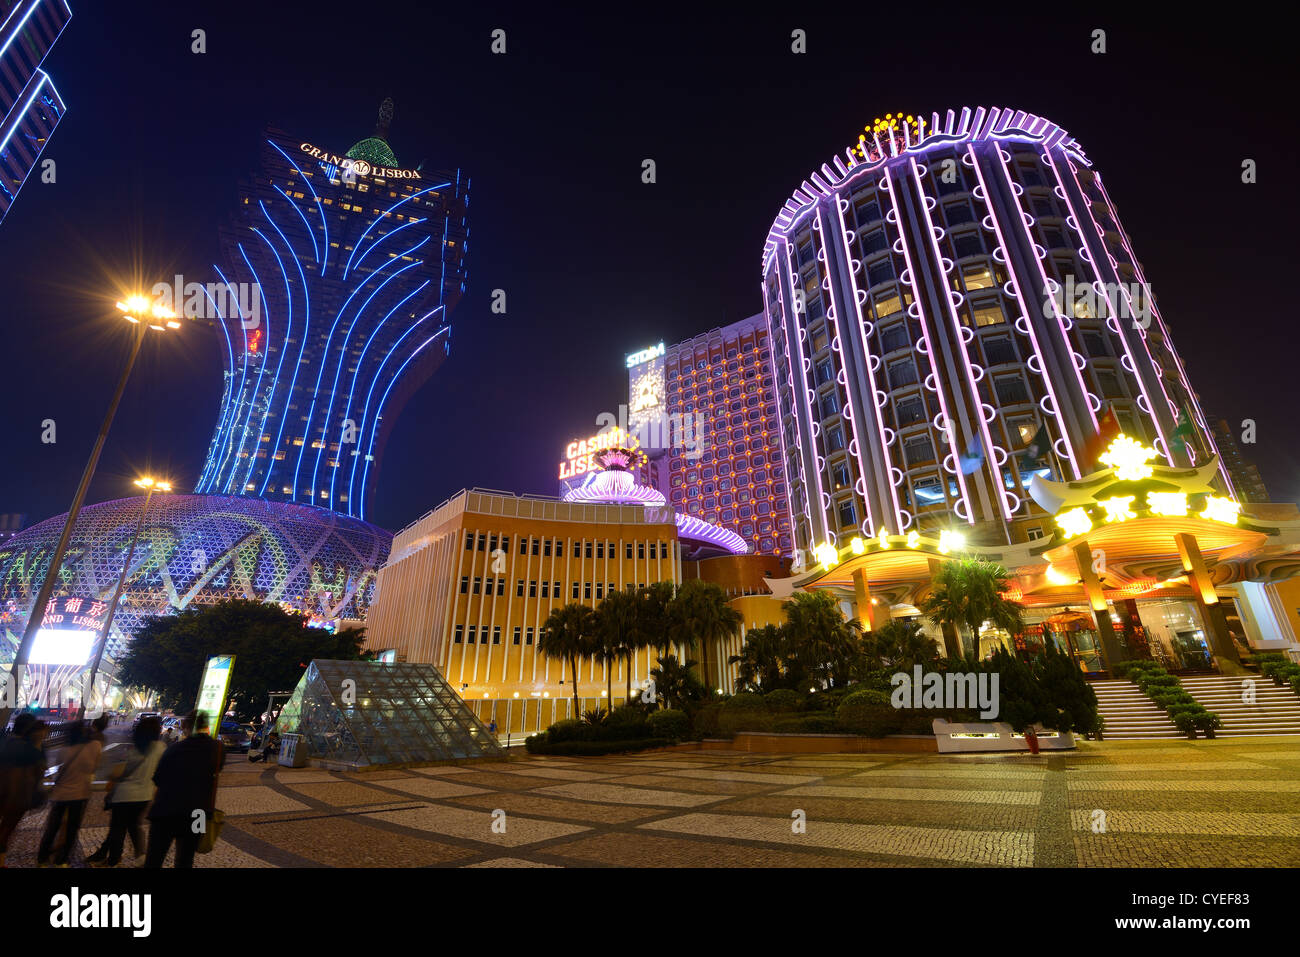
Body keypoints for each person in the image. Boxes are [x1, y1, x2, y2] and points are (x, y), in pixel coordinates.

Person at [144, 711, 223, 868]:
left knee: (154, 858)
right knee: (186, 858)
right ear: (206, 726)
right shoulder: (218, 749)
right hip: (199, 813)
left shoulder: (174, 749)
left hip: (166, 811)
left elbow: (157, 778)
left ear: (186, 727)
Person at [86, 715, 165, 868]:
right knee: (133, 825)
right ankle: (138, 856)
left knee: (118, 829)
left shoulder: (133, 750)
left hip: (124, 796)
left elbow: (116, 774)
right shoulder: (161, 748)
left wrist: (112, 775)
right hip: (144, 796)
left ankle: (114, 861)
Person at [37, 721, 102, 867]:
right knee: (71, 830)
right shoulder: (95, 746)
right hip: (80, 795)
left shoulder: (63, 750)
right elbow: (94, 768)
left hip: (61, 795)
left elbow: (59, 772)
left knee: (52, 828)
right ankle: (62, 860)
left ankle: (42, 859)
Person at [0, 715, 48, 868]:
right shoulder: (30, 750)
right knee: (5, 831)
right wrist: (39, 744)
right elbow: (41, 771)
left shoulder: (4, 740)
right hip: (16, 798)